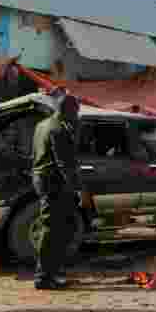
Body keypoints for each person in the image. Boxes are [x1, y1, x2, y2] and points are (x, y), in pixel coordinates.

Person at [31, 89, 91, 290]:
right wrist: (80, 190)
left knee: (55, 228)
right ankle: (44, 277)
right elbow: (66, 164)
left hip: (42, 179)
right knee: (53, 230)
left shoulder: (42, 125)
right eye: (76, 111)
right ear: (68, 110)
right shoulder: (59, 130)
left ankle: (51, 272)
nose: (77, 115)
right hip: (54, 183)